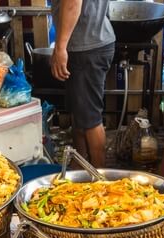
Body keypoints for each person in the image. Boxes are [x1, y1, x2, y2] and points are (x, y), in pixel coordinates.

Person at [49, 0, 115, 167]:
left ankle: (100, 181)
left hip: (86, 48)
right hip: (90, 42)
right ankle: (80, 165)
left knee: (90, 119)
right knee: (80, 114)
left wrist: (60, 48)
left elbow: (72, 4)